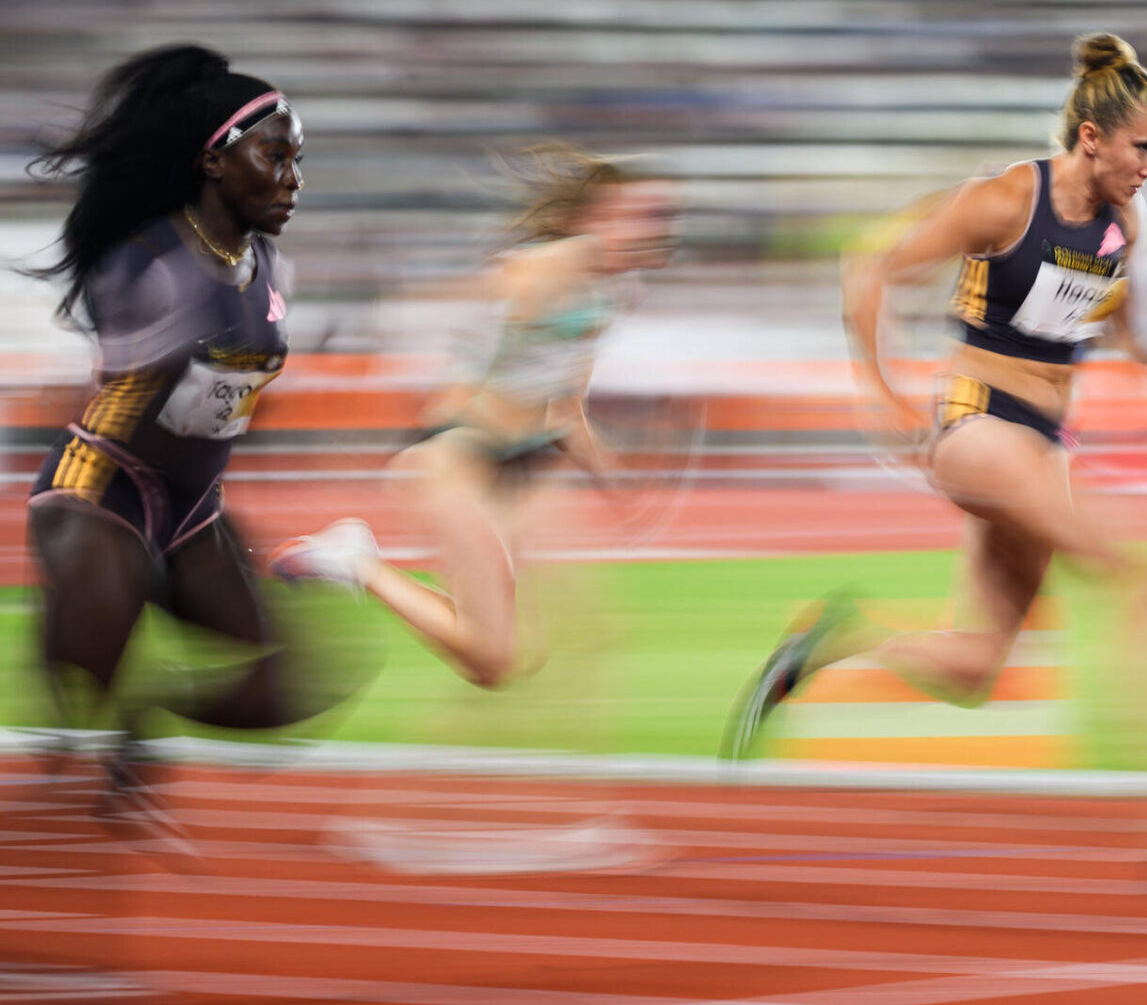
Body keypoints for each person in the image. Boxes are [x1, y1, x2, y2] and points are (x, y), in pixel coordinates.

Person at [722, 32, 1147, 760]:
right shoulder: (1000, 201)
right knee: (1138, 572)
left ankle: (834, 641)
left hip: (1045, 439)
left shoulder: (1125, 223)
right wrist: (882, 396)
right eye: (1143, 149)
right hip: (980, 425)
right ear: (1092, 138)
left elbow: (1116, 309)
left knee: (974, 666)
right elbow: (868, 268)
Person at [22, 44, 349, 817]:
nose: (294, 180)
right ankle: (75, 665)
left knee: (294, 685)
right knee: (85, 674)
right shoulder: (150, 263)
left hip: (196, 508)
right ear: (213, 161)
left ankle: (145, 718)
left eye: (299, 160)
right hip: (100, 493)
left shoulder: (271, 268)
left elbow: (226, 399)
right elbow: (131, 361)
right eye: (275, 156)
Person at [269, 146, 678, 689]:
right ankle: (355, 562)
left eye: (662, 217)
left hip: (507, 471)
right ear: (590, 220)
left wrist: (613, 476)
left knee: (507, 654)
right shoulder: (548, 267)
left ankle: (359, 564)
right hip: (454, 459)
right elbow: (493, 296)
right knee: (495, 657)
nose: (655, 229)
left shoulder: (611, 293)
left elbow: (564, 403)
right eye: (639, 215)